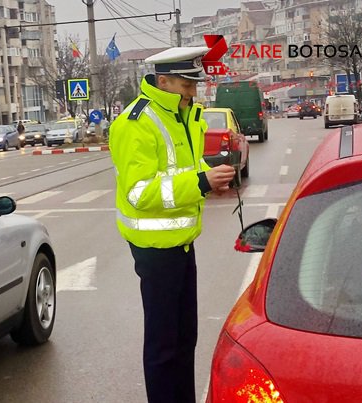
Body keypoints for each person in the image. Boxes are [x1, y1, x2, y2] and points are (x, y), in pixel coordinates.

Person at [109, 47, 235, 403]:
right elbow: (139, 192)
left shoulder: (184, 115)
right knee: (164, 347)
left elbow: (178, 173)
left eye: (194, 84)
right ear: (162, 81)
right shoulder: (137, 123)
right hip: (155, 249)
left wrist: (210, 181)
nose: (192, 92)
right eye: (185, 85)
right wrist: (201, 183)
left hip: (181, 243)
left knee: (184, 340)